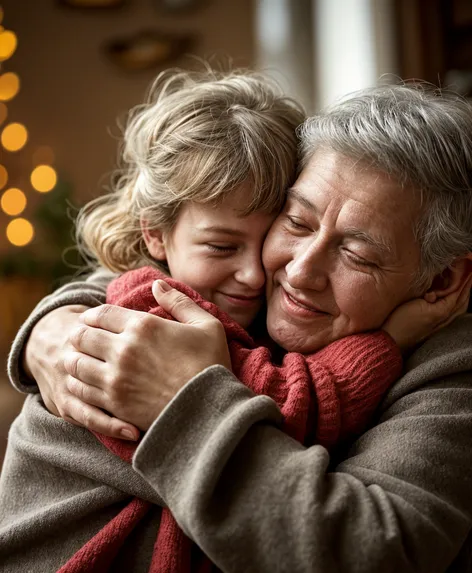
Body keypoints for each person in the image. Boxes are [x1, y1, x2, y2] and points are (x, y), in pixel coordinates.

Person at [5, 82, 472, 572]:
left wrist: (180, 396)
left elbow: (370, 553)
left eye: (357, 253)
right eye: (296, 222)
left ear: (442, 280)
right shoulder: (173, 308)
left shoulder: (449, 369)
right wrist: (50, 325)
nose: (295, 271)